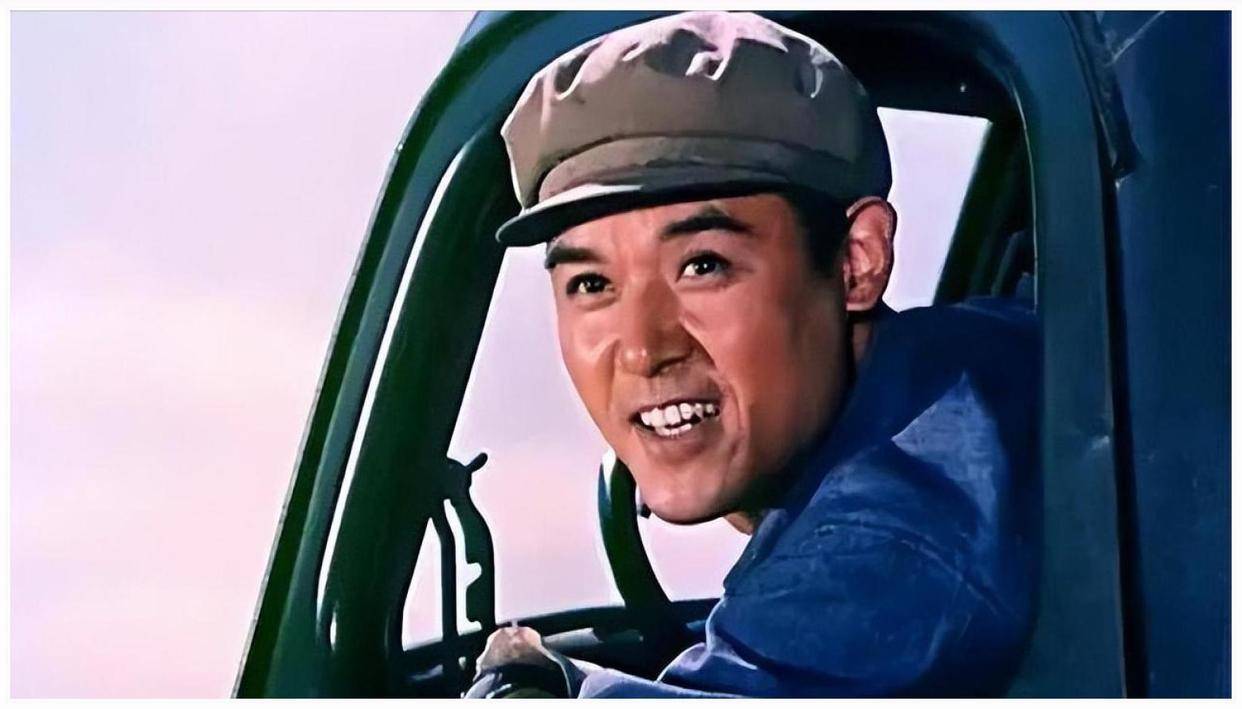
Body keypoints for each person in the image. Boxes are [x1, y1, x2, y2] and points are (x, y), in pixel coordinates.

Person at [465, 11, 1039, 698]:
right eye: (592, 284)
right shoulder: (985, 358)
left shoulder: (888, 537)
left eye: (703, 265)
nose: (644, 349)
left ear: (858, 261)